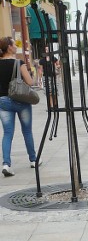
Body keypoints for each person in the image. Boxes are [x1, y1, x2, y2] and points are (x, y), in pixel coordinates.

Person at [0, 36, 37, 176]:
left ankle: (6, 164)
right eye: (14, 44)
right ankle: (33, 159)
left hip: (3, 101)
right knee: (27, 131)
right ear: (9, 47)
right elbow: (29, 82)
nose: (16, 46)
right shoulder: (18, 63)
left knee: (7, 133)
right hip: (21, 101)